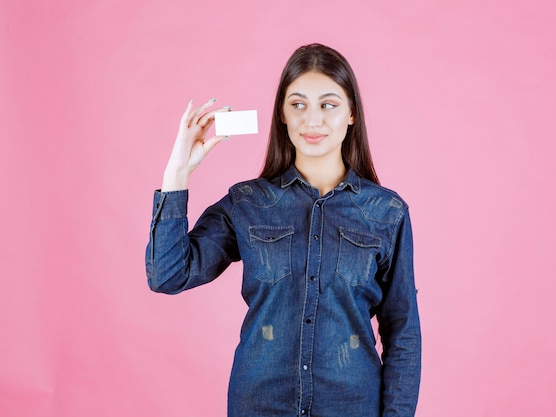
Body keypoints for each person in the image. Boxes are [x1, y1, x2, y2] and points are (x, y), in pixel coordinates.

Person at [146, 43, 421, 417]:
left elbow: (402, 332)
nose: (312, 120)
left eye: (328, 104)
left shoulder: (386, 212)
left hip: (352, 406)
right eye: (298, 104)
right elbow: (168, 274)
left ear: (352, 113)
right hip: (259, 405)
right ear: (282, 115)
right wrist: (177, 172)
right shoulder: (248, 203)